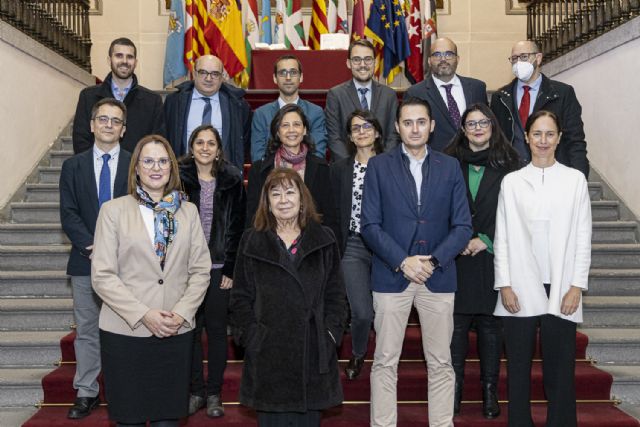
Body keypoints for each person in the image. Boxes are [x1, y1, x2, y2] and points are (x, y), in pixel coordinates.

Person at [361, 97, 473, 427]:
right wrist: (403, 261)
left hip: (438, 277)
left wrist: (433, 261)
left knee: (440, 361)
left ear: (432, 125)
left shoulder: (449, 166)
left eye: (421, 122)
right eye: (407, 122)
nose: (415, 128)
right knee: (384, 360)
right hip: (391, 274)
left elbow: (463, 225)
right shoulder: (379, 166)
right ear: (397, 127)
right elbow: (369, 225)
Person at [91, 135, 211, 427]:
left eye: (162, 161)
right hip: (125, 333)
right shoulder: (113, 211)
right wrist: (144, 315)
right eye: (148, 161)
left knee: (168, 420)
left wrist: (180, 314)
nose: (155, 167)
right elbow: (103, 275)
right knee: (128, 420)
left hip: (174, 330)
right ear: (136, 168)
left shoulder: (189, 211)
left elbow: (200, 270)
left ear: (171, 167)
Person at [493, 110, 592, 427]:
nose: (543, 141)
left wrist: (576, 284)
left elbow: (582, 235)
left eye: (550, 134)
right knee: (518, 367)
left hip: (563, 285)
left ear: (560, 137)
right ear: (526, 137)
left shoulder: (575, 180)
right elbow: (503, 236)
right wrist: (504, 283)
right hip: (520, 284)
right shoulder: (512, 182)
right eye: (537, 134)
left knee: (560, 368)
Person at [230, 168, 347, 426]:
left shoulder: (324, 238)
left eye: (290, 192)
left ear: (302, 199)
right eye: (276, 193)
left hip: (312, 357)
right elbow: (240, 298)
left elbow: (336, 296)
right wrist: (251, 336)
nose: (283, 199)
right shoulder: (251, 241)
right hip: (268, 357)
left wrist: (329, 335)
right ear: (267, 203)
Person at [443, 103, 520, 419]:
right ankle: (454, 392)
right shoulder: (446, 163)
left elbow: (515, 212)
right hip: (456, 257)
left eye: (482, 122)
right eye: (470, 123)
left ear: (492, 125)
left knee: (491, 329)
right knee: (455, 330)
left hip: (493, 256)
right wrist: (457, 240)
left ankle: (490, 393)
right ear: (462, 129)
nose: (477, 128)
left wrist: (485, 239)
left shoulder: (512, 165)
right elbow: (438, 207)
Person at [60, 98, 131, 419]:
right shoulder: (72, 167)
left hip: (127, 265)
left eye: (115, 121)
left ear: (123, 129)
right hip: (84, 261)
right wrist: (95, 247)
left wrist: (118, 249)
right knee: (88, 330)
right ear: (91, 125)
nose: (108, 125)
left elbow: (142, 211)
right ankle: (86, 391)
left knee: (124, 329)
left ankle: (122, 390)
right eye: (102, 119)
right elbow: (69, 214)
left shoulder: (135, 164)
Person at [179, 125, 246, 418]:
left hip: (219, 269)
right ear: (191, 146)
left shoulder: (231, 179)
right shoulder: (176, 178)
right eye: (199, 142)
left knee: (217, 332)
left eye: (211, 143)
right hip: (185, 270)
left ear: (219, 149)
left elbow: (238, 228)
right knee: (191, 331)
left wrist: (231, 266)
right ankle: (195, 391)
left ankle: (214, 393)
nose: (205, 148)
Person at [329, 110, 384, 380]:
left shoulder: (391, 166)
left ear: (377, 132)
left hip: (387, 248)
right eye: (355, 128)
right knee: (362, 312)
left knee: (386, 311)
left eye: (367, 126)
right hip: (352, 245)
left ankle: (386, 359)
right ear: (350, 136)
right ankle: (359, 351)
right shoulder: (339, 169)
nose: (361, 132)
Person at [490, 40, 589, 178]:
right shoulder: (500, 98)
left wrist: (580, 178)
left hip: (553, 175)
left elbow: (575, 141)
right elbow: (495, 142)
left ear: (538, 58)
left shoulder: (563, 93)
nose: (518, 63)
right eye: (514, 58)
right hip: (513, 176)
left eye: (524, 57)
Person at [246, 104, 336, 233]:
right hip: (269, 241)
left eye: (297, 124)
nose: (291, 130)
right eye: (285, 125)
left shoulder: (321, 168)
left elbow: (330, 216)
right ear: (277, 132)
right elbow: (252, 217)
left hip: (311, 241)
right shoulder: (259, 170)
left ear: (305, 130)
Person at [73, 38, 165, 154]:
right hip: (98, 170)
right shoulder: (88, 96)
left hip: (135, 170)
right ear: (109, 60)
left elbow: (156, 143)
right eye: (119, 56)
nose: (124, 61)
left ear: (135, 62)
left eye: (129, 57)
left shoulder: (152, 101)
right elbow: (81, 139)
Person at [164, 55, 251, 170]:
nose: (208, 79)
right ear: (194, 74)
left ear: (222, 77)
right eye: (203, 72)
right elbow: (166, 138)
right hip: (183, 173)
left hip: (223, 174)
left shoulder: (237, 105)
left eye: (215, 74)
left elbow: (244, 141)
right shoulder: (174, 102)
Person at [404, 37, 488, 152]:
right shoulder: (415, 92)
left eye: (449, 54)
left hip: (474, 160)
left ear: (457, 59)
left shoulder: (477, 88)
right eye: (437, 55)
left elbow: (488, 126)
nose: (443, 59)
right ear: (429, 60)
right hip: (436, 163)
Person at [325, 39, 400, 161]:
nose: (363, 65)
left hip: (383, 167)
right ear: (348, 63)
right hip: (348, 168)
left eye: (368, 59)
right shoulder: (336, 95)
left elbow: (393, 136)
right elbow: (334, 137)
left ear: (375, 62)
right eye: (356, 60)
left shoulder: (389, 95)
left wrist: (381, 164)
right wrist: (353, 165)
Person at [251, 55, 327, 161]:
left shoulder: (315, 113)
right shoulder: (261, 114)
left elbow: (318, 154)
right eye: (282, 73)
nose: (288, 78)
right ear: (274, 78)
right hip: (271, 175)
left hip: (307, 175)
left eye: (293, 72)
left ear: (301, 77)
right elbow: (258, 157)